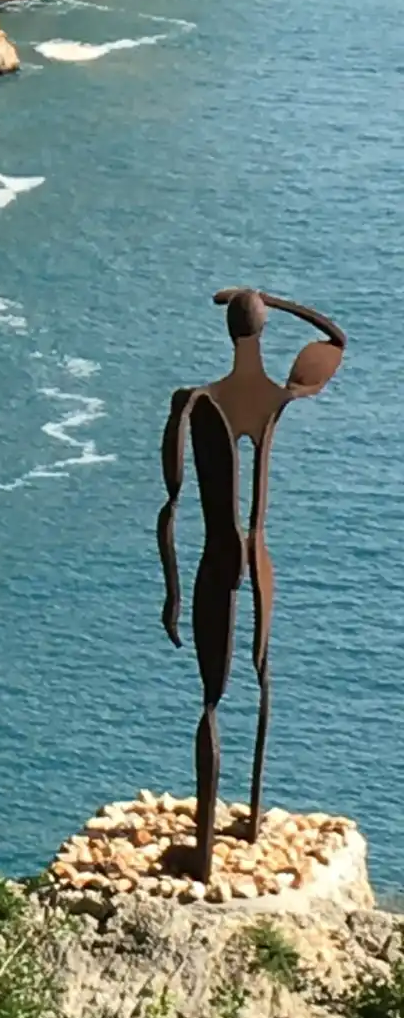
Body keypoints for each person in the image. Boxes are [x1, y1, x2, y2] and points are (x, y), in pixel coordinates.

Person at [157, 287, 346, 884]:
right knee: (263, 680)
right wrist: (279, 303)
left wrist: (171, 591)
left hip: (217, 561)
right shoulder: (279, 395)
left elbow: (172, 504)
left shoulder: (194, 401)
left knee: (212, 698)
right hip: (259, 559)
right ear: (262, 330)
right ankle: (252, 819)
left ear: (227, 331)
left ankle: (205, 851)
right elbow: (336, 340)